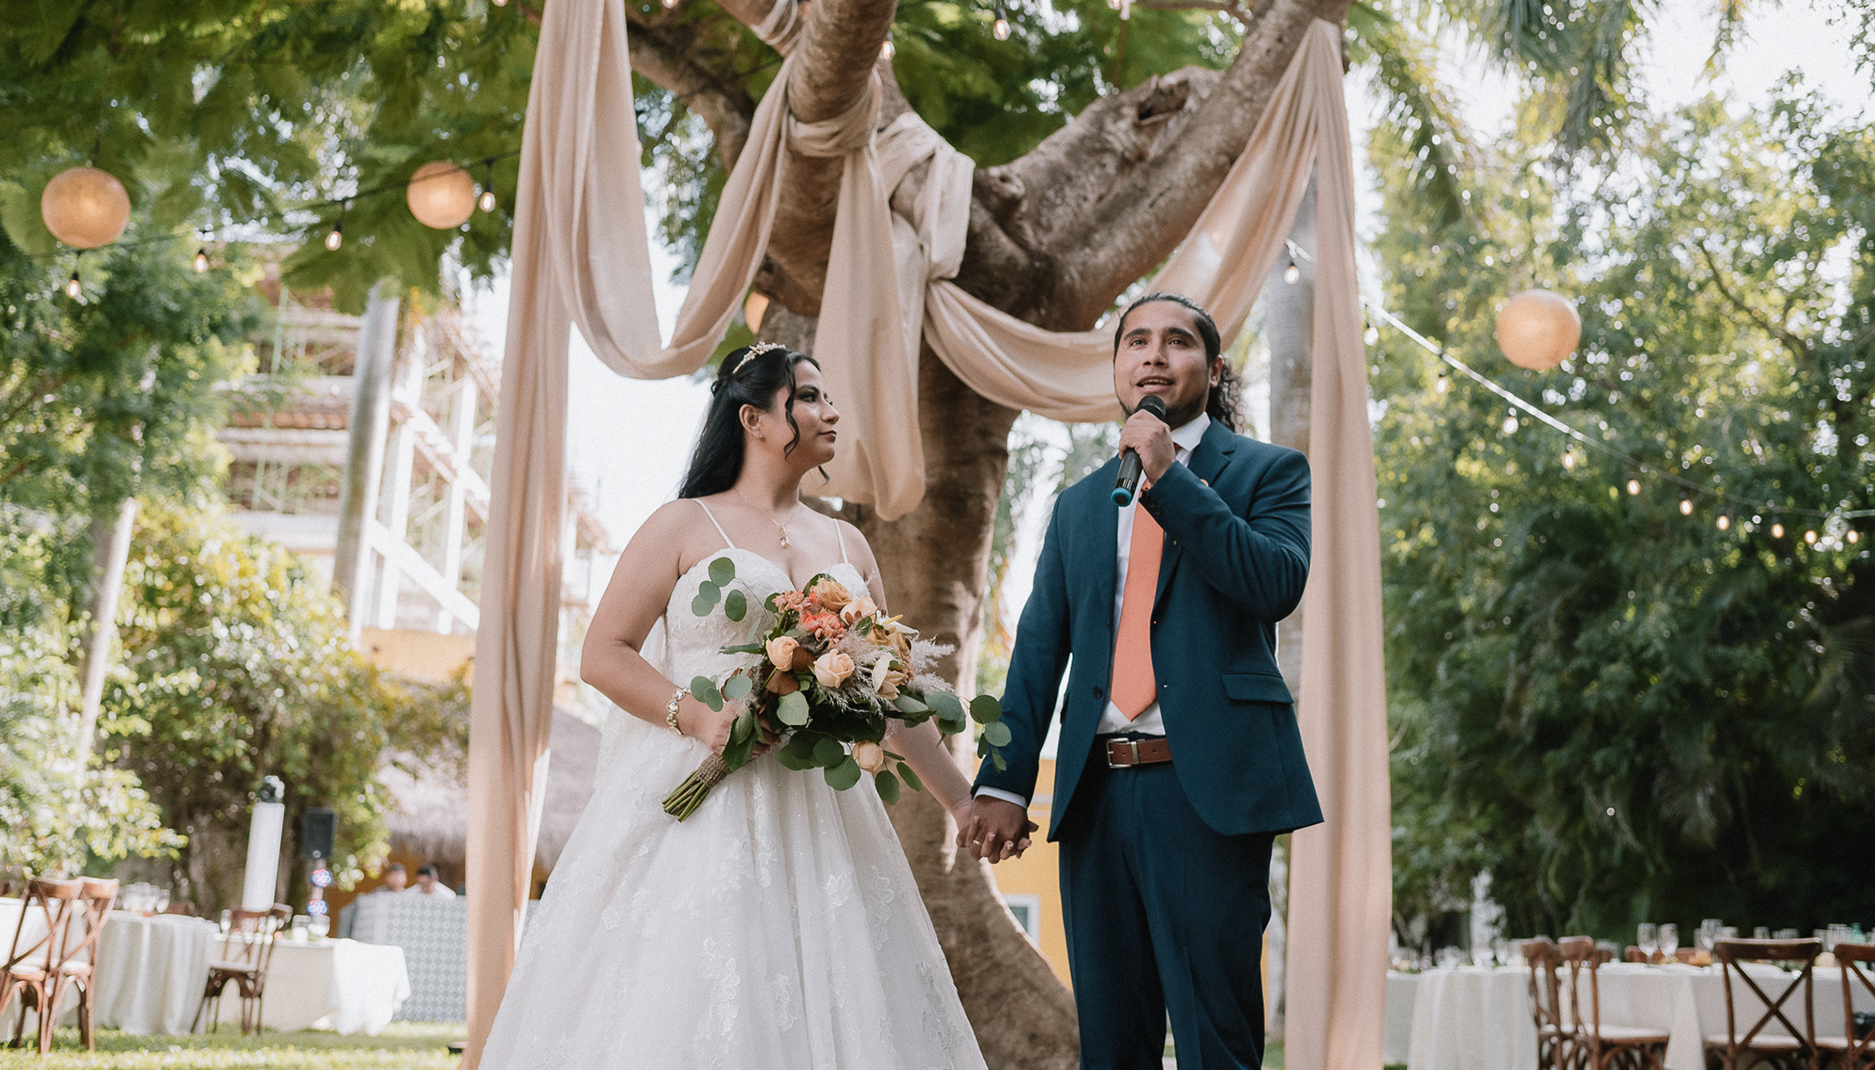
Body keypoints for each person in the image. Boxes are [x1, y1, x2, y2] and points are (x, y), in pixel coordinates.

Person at [478, 343, 988, 1070]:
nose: (830, 411)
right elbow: (604, 653)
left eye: (827, 398)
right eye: (808, 397)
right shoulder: (681, 525)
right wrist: (698, 718)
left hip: (818, 810)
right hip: (697, 801)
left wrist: (962, 803)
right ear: (753, 418)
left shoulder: (848, 543)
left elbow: (893, 696)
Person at [963, 293, 1321, 1070]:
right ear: (1119, 368)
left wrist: (1169, 477)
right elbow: (1038, 648)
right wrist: (1004, 782)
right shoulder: (1078, 505)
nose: (1154, 354)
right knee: (1112, 1044)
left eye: (1177, 341)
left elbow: (1274, 583)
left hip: (1206, 791)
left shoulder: (1269, 472)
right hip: (1095, 795)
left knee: (1215, 1039)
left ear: (1214, 369)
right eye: (1136, 341)